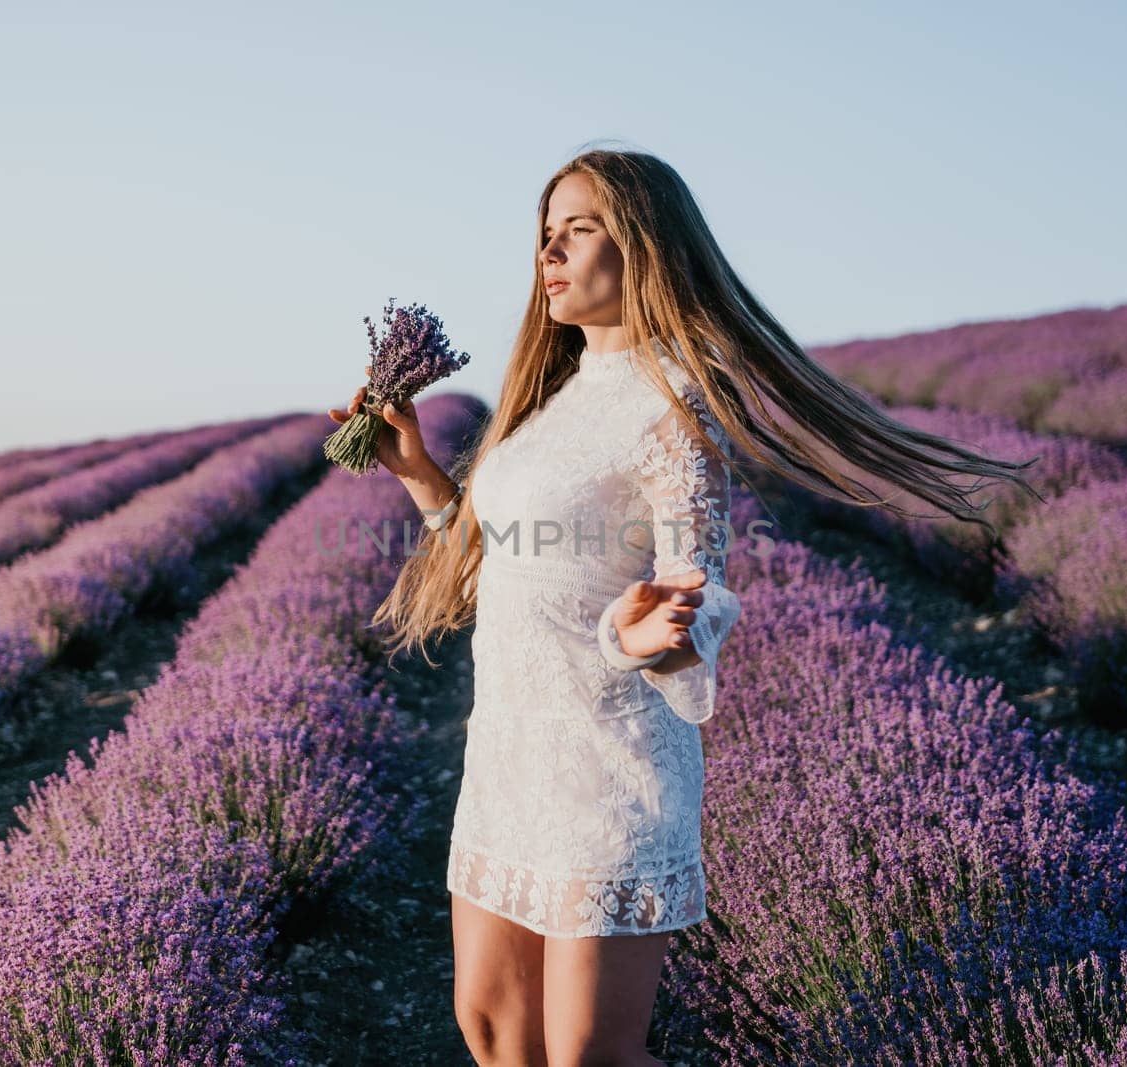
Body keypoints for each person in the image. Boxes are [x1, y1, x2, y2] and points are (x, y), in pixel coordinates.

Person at [329, 145, 1041, 1066]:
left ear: (646, 248)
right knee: (497, 1032)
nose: (551, 253)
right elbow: (495, 564)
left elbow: (700, 587)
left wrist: (648, 638)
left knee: (589, 1055)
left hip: (607, 765)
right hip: (509, 756)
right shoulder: (546, 406)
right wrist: (425, 478)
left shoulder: (673, 405)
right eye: (546, 235)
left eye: (579, 231)